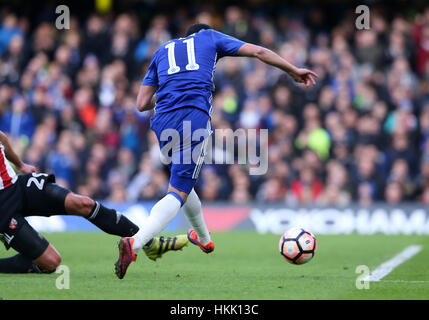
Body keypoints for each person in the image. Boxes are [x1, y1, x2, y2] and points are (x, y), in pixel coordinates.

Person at [114, 23, 317, 279]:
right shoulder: (209, 38)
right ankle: (135, 243)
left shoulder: (162, 50)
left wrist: (170, 92)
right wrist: (292, 70)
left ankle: (204, 239)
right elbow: (259, 53)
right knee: (177, 192)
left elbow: (142, 103)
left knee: (184, 184)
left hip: (162, 123)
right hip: (193, 119)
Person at [0, 130, 188, 274]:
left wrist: (20, 164)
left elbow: (2, 138)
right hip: (3, 207)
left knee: (83, 203)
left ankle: (148, 243)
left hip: (19, 185)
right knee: (51, 263)